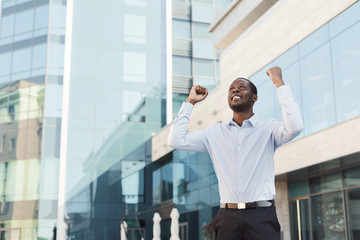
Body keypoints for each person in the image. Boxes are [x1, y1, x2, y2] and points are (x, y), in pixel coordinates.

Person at [168, 66, 303, 240]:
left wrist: (279, 83)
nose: (235, 90)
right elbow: (175, 140)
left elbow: (296, 126)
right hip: (227, 218)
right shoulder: (215, 133)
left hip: (261, 216)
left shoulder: (269, 129)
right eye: (231, 89)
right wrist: (190, 102)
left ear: (254, 97)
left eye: (241, 88)